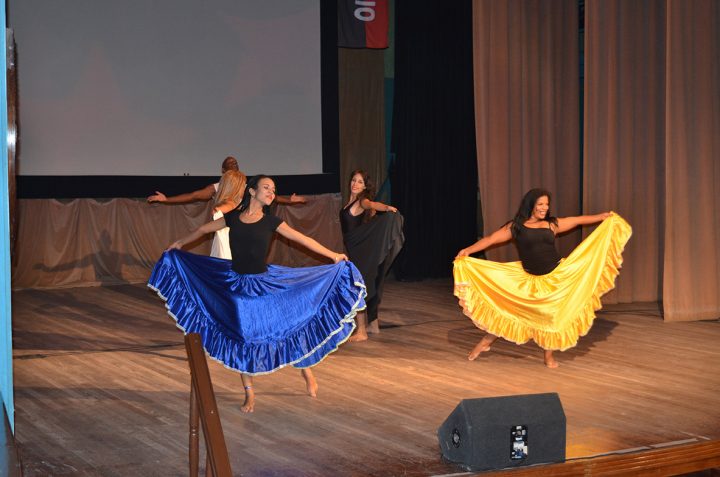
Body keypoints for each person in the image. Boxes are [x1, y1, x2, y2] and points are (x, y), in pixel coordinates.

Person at [148, 175, 366, 412]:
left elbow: (302, 239)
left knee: (288, 327)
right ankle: (249, 393)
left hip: (265, 285)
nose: (272, 192)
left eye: (274, 189)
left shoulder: (271, 222)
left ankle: (307, 372)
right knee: (243, 337)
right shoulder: (232, 218)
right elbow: (203, 229)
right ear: (252, 191)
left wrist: (332, 255)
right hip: (237, 287)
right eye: (266, 187)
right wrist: (180, 243)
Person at [454, 188, 632, 368]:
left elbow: (577, 220)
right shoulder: (516, 226)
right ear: (530, 205)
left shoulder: (552, 224)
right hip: (528, 280)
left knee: (553, 316)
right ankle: (486, 341)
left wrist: (600, 217)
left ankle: (548, 356)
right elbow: (491, 239)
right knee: (510, 311)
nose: (544, 208)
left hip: (556, 278)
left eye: (547, 204)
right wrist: (469, 250)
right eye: (540, 204)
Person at [147, 156, 305, 258]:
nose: (233, 163)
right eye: (229, 164)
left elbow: (270, 196)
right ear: (223, 172)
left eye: (235, 163)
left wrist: (289, 200)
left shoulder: (247, 187)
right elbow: (194, 195)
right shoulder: (218, 188)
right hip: (225, 242)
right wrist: (166, 199)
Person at [340, 170, 404, 342]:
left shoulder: (362, 201)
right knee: (368, 281)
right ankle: (373, 324)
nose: (355, 184)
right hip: (354, 247)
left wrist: (387, 208)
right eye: (353, 180)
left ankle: (361, 331)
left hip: (360, 249)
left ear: (364, 186)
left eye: (360, 182)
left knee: (359, 285)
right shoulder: (350, 202)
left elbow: (372, 205)